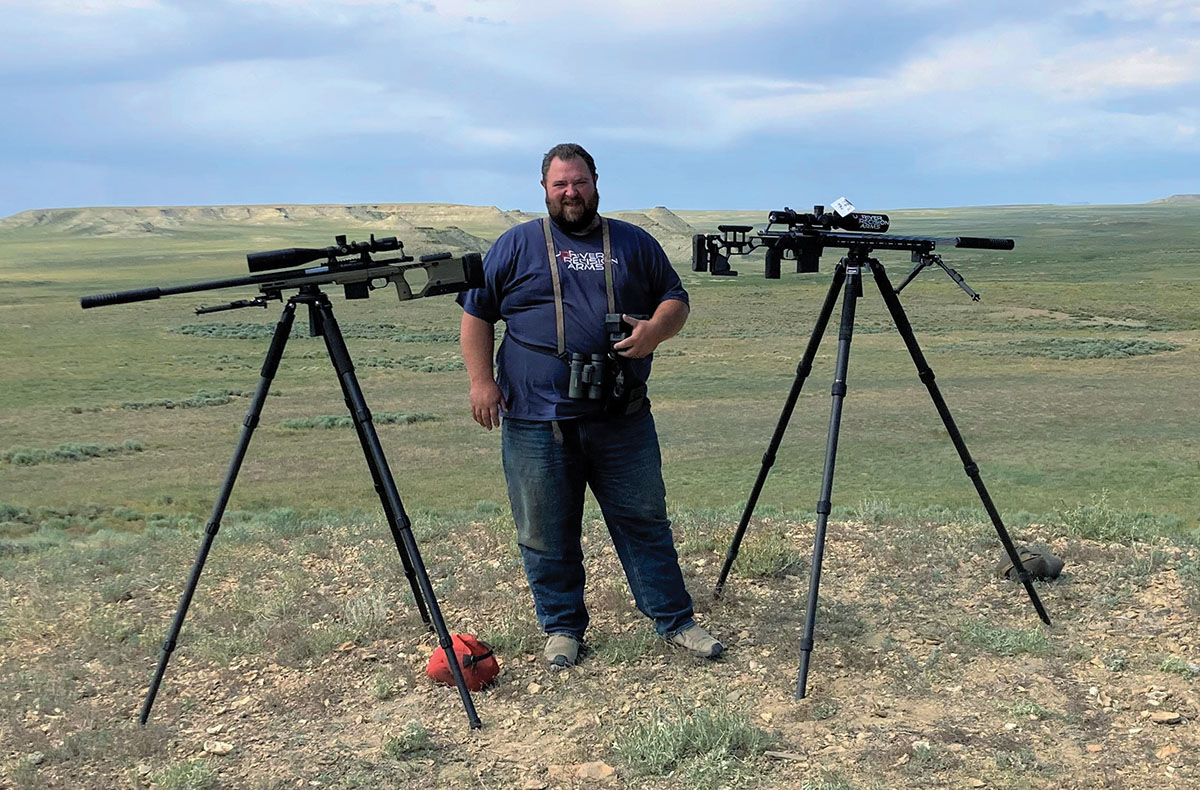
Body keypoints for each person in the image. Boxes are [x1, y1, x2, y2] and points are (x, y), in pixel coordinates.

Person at [457, 143, 723, 668]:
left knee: (644, 520)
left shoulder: (633, 242)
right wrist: (480, 381)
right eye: (560, 185)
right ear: (545, 189)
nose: (571, 193)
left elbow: (676, 299)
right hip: (536, 419)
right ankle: (562, 628)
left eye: (578, 182)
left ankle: (675, 620)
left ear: (595, 181)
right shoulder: (515, 244)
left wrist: (654, 332)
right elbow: (478, 313)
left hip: (620, 416)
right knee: (544, 530)